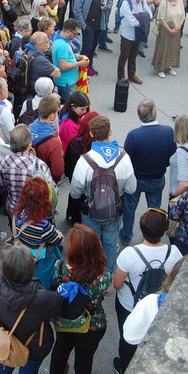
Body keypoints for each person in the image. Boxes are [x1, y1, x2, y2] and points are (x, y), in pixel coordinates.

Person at [112, 208, 183, 374]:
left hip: (129, 303)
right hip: (158, 303)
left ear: (142, 229)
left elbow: (117, 284)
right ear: (164, 231)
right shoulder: (173, 253)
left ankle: (125, 367)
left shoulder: (129, 254)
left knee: (127, 334)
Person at [0, 245, 64, 374]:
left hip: (4, 337)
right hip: (32, 345)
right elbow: (57, 307)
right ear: (30, 270)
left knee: (3, 366)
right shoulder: (39, 297)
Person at [48, 225, 111, 374]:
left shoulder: (59, 266)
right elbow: (107, 293)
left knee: (61, 345)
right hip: (90, 323)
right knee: (84, 354)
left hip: (65, 318)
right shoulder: (102, 277)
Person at [70, 115, 136, 272]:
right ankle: (109, 271)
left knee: (91, 241)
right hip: (114, 209)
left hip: (90, 210)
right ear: (110, 132)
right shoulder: (124, 158)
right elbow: (131, 189)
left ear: (91, 134)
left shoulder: (84, 160)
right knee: (111, 240)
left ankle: (92, 269)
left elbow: (75, 192)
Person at [121, 100, 176, 245]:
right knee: (154, 210)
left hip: (136, 179)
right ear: (155, 113)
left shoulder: (133, 135)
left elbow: (127, 160)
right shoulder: (168, 131)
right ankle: (153, 236)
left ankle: (126, 235)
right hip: (157, 178)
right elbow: (172, 154)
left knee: (129, 209)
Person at [1, 125, 56, 217]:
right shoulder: (38, 164)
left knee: (16, 231)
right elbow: (53, 189)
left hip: (13, 209)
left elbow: (3, 184)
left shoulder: (5, 161)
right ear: (29, 144)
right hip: (34, 212)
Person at [73, 0, 110, 76]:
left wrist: (106, 7)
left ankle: (89, 65)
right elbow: (77, 8)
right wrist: (83, 24)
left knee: (94, 46)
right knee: (87, 46)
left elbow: (110, 3)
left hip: (100, 23)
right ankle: (82, 67)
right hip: (88, 24)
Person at [117, 0, 152, 84]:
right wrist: (142, 20)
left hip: (137, 34)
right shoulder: (126, 3)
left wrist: (139, 18)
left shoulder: (142, 1)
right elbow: (131, 22)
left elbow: (149, 15)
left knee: (133, 56)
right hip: (127, 35)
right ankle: (121, 77)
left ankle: (132, 75)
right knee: (124, 56)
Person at [152, 0, 185, 78]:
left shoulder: (180, 2)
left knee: (173, 48)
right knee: (163, 48)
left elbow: (183, 17)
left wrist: (178, 27)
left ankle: (169, 66)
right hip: (165, 28)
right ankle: (160, 68)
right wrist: (169, 30)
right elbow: (161, 18)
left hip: (176, 27)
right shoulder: (164, 3)